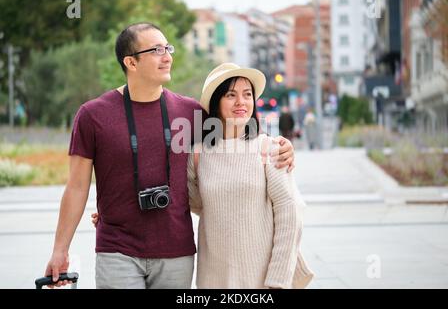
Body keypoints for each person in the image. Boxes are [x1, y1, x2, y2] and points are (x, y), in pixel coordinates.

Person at [45, 23, 296, 289]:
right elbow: (76, 187)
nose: (167, 56)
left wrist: (280, 146)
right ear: (131, 61)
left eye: (168, 48)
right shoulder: (92, 115)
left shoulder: (191, 112)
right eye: (156, 50)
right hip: (116, 248)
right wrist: (60, 250)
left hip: (176, 253)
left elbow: (235, 140)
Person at [186, 63, 314, 289]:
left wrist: (278, 279)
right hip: (213, 279)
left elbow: (289, 212)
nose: (241, 102)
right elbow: (194, 203)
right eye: (230, 95)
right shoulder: (198, 155)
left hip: (261, 280)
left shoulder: (269, 148)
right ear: (216, 102)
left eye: (247, 95)